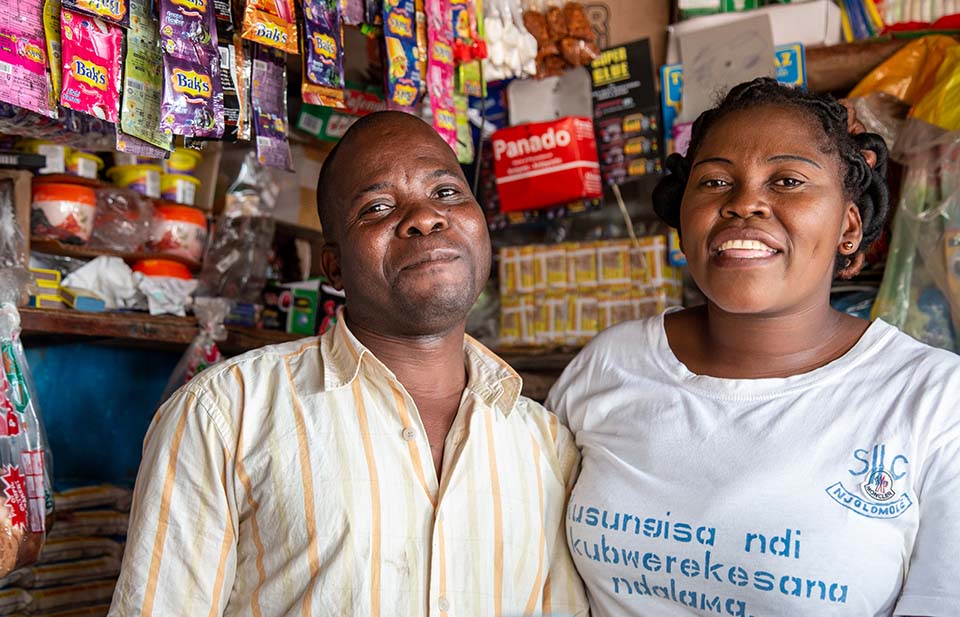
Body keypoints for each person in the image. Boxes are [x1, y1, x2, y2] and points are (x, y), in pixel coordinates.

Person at [109, 111, 588, 617]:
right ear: (334, 266)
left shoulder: (545, 445)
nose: (425, 218)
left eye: (447, 193)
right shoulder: (224, 416)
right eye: (378, 208)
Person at [546, 78, 960, 617]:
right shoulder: (611, 363)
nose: (744, 203)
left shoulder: (933, 399)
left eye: (787, 180)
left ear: (849, 226)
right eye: (715, 181)